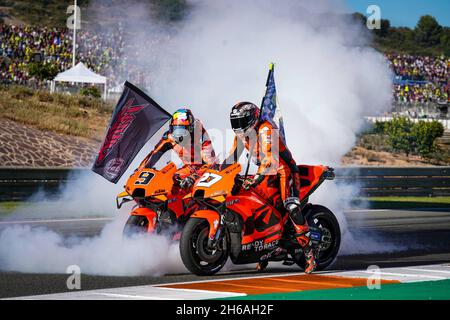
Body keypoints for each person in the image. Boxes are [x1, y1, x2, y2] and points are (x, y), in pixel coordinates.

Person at [224, 101, 317, 274]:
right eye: (235, 122)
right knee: (251, 202)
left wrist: (256, 178)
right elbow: (230, 159)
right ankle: (267, 247)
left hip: (283, 171)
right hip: (265, 172)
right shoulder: (242, 135)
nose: (238, 127)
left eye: (241, 121)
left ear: (252, 118)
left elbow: (270, 160)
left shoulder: (266, 129)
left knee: (291, 206)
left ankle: (309, 253)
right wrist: (219, 173)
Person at [141, 108, 216, 189]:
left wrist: (194, 177)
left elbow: (210, 163)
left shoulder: (201, 135)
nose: (178, 135)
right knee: (164, 179)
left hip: (203, 168)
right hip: (187, 166)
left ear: (191, 128)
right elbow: (154, 154)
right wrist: (140, 171)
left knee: (176, 181)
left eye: (182, 131)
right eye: (175, 130)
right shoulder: (169, 136)